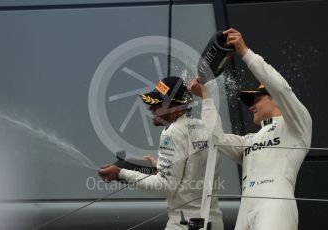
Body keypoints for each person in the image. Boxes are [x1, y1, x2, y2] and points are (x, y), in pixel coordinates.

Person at [190, 28, 312, 230]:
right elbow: (216, 138)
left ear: (273, 98)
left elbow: (281, 89)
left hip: (275, 204)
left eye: (256, 98)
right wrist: (206, 97)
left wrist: (245, 53)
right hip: (246, 208)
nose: (251, 106)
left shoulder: (297, 125)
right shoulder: (250, 140)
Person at [99, 76, 224, 230]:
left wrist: (120, 173)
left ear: (174, 107)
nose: (150, 108)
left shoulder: (171, 133)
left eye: (156, 104)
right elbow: (191, 172)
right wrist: (158, 164)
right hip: (214, 222)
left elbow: (165, 186)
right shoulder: (203, 126)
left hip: (185, 224)